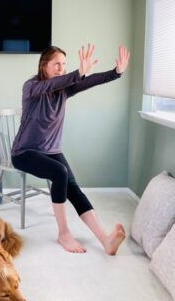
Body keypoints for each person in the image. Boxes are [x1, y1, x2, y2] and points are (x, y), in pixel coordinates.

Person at [11, 44, 130, 254]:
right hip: (24, 152)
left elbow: (90, 81)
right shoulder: (31, 87)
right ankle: (64, 233)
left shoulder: (64, 89)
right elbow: (52, 85)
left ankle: (105, 240)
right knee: (60, 172)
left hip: (51, 149)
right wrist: (78, 73)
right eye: (56, 64)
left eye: (64, 65)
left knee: (73, 188)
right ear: (43, 65)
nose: (61, 68)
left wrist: (116, 73)